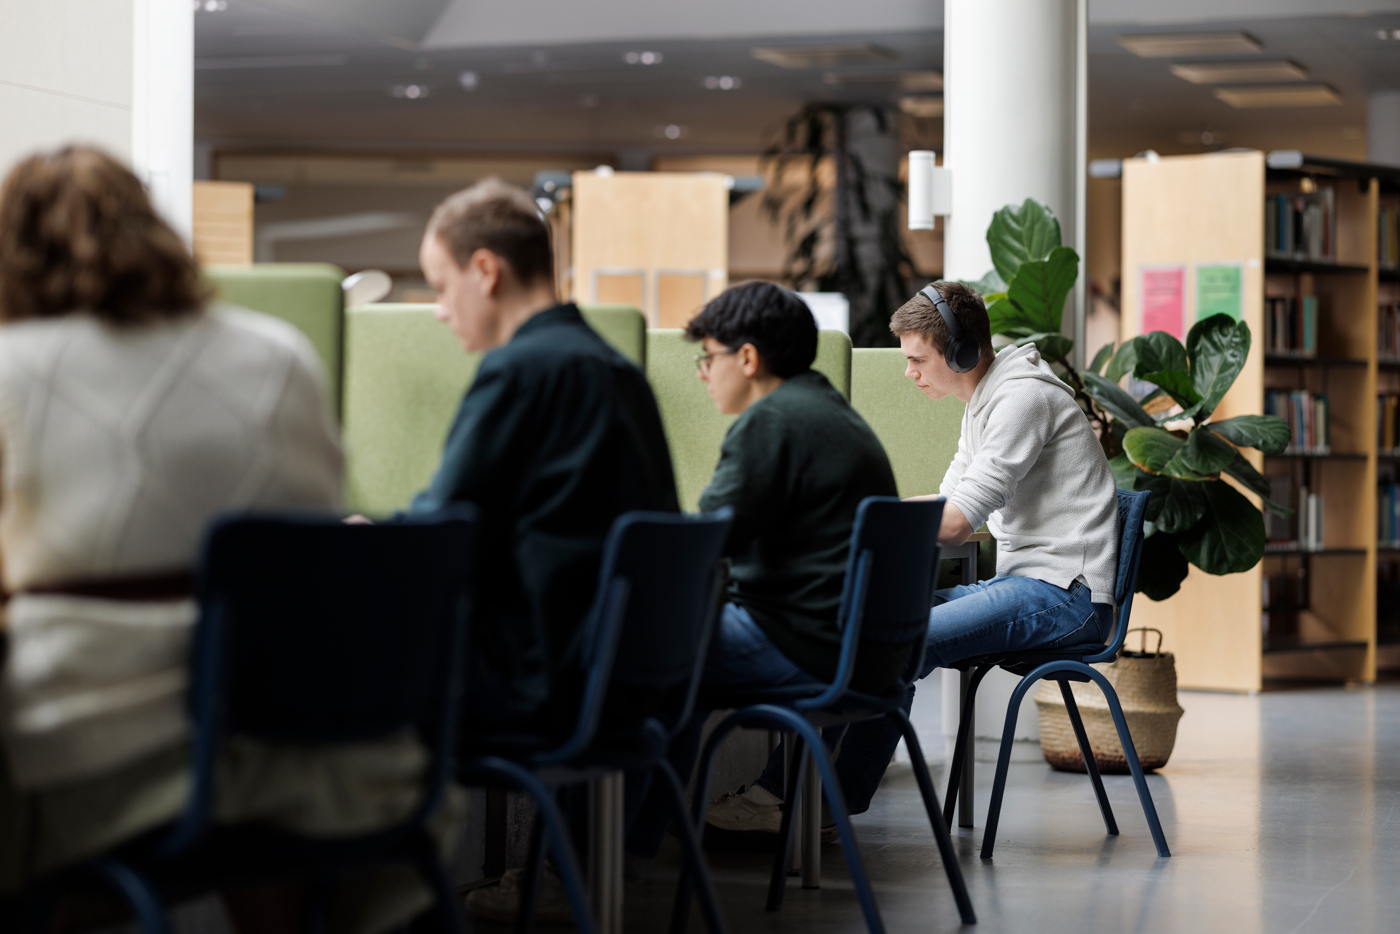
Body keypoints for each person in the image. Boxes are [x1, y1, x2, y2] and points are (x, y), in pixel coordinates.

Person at [0, 147, 406, 929]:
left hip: (94, 755)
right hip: (301, 745)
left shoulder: (13, 371)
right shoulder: (277, 353)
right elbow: (319, 540)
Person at [401, 179, 679, 921]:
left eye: (440, 285)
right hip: (625, 686)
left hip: (541, 688)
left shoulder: (523, 370)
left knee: (322, 702)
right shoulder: (617, 371)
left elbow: (441, 529)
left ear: (484, 270)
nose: (438, 308)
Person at [797, 280, 1120, 822]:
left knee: (903, 640)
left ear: (962, 350)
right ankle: (815, 801)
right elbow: (947, 500)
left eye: (918, 358)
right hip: (1031, 585)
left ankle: (814, 802)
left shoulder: (1022, 399)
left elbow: (951, 525)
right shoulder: (986, 402)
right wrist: (869, 512)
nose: (909, 372)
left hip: (1066, 597)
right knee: (888, 625)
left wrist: (865, 524)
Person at [627, 280, 902, 856]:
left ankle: (575, 870)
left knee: (635, 658)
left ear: (747, 358)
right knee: (677, 679)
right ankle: (624, 855)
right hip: (864, 652)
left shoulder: (771, 422)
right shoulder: (828, 411)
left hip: (807, 644)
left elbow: (703, 541)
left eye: (708, 357)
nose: (703, 372)